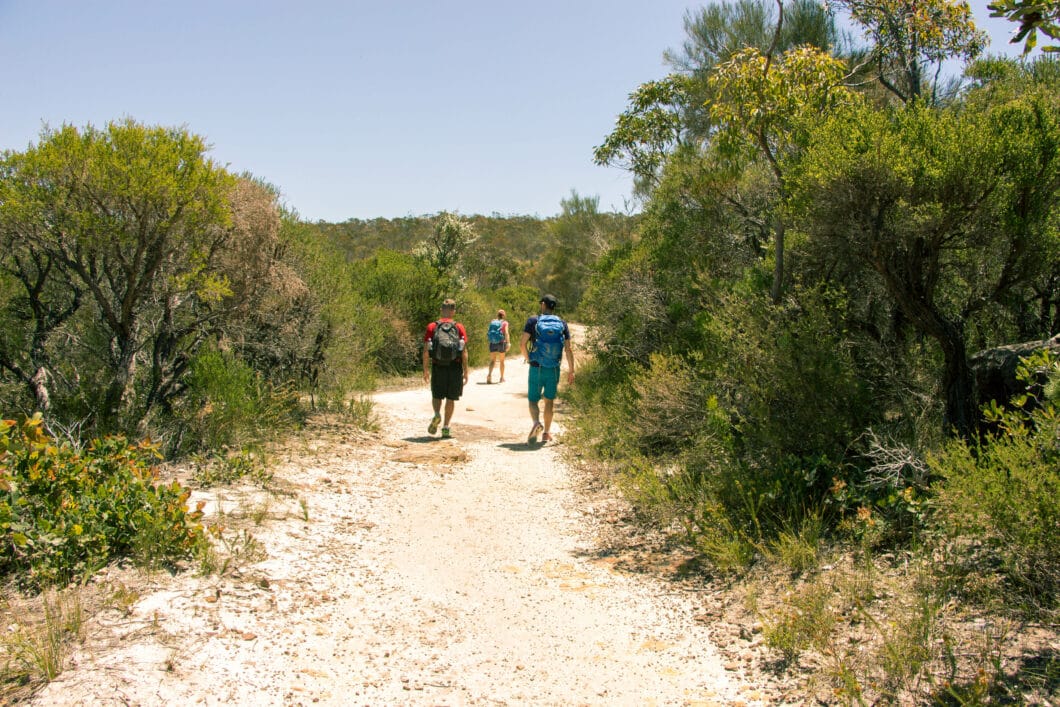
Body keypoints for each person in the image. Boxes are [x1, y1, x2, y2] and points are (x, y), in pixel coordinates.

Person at [519, 294, 575, 444]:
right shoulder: (562, 324)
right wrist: (571, 370)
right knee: (549, 401)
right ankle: (546, 433)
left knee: (533, 400)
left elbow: (522, 344)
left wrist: (528, 359)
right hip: (554, 368)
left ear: (543, 304)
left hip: (537, 367)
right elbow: (568, 349)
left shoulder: (533, 321)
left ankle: (536, 422)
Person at [422, 298, 469, 439]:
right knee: (451, 398)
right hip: (455, 367)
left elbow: (426, 350)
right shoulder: (459, 327)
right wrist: (466, 370)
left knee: (437, 395)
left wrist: (425, 369)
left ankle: (437, 414)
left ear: (441, 310)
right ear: (453, 311)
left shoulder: (432, 326)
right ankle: (446, 427)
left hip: (437, 366)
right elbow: (464, 351)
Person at [485, 309, 510, 384]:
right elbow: (506, 333)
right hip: (501, 342)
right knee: (502, 361)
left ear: (497, 315)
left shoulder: (493, 321)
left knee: (492, 361)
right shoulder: (505, 323)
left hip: (492, 342)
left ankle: (489, 375)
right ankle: (502, 378)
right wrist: (508, 343)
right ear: (504, 315)